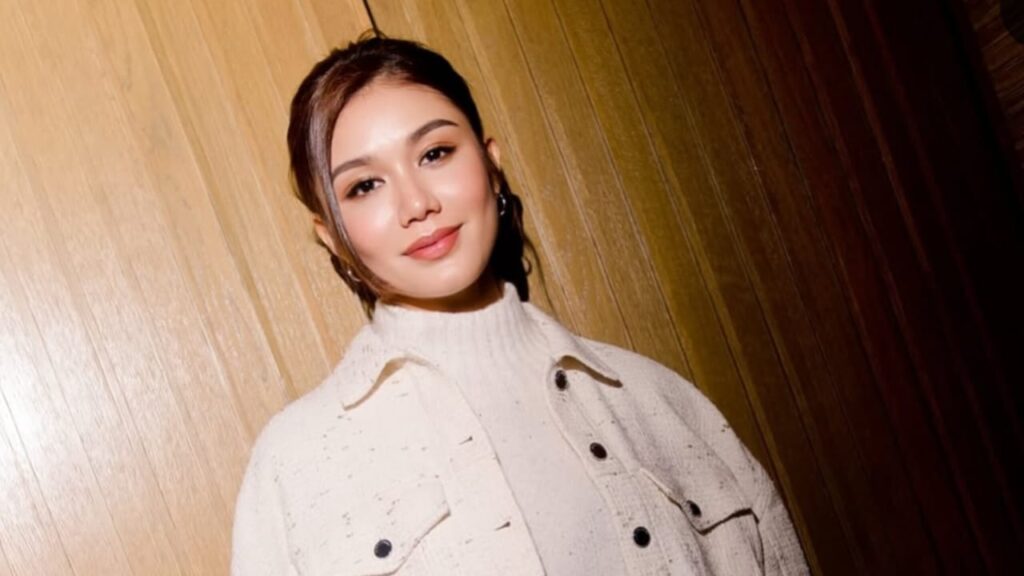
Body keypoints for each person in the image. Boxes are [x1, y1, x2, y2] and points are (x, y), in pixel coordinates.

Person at [231, 34, 809, 576]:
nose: (416, 203)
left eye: (435, 153)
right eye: (364, 186)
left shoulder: (660, 400)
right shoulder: (296, 464)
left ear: (490, 162)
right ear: (331, 237)